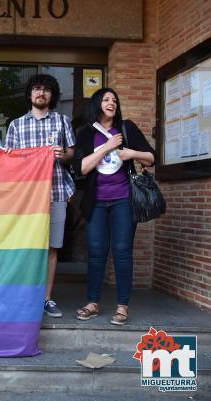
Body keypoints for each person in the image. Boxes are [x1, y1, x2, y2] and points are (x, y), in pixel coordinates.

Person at [73, 88, 155, 326]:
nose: (112, 103)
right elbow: (80, 168)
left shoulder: (126, 128)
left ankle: (122, 306)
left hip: (123, 199)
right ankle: (92, 302)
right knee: (96, 254)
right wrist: (108, 147)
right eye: (106, 99)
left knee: (122, 253)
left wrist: (132, 153)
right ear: (97, 104)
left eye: (115, 100)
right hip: (96, 201)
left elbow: (151, 157)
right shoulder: (86, 134)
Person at [5, 74, 75, 318]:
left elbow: (71, 154)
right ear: (30, 93)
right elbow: (9, 162)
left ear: (52, 94)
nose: (41, 93)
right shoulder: (16, 125)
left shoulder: (62, 121)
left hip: (56, 191)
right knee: (26, 246)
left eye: (46, 90)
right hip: (27, 196)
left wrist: (62, 155)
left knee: (51, 247)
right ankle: (24, 297)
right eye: (36, 89)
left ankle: (46, 298)